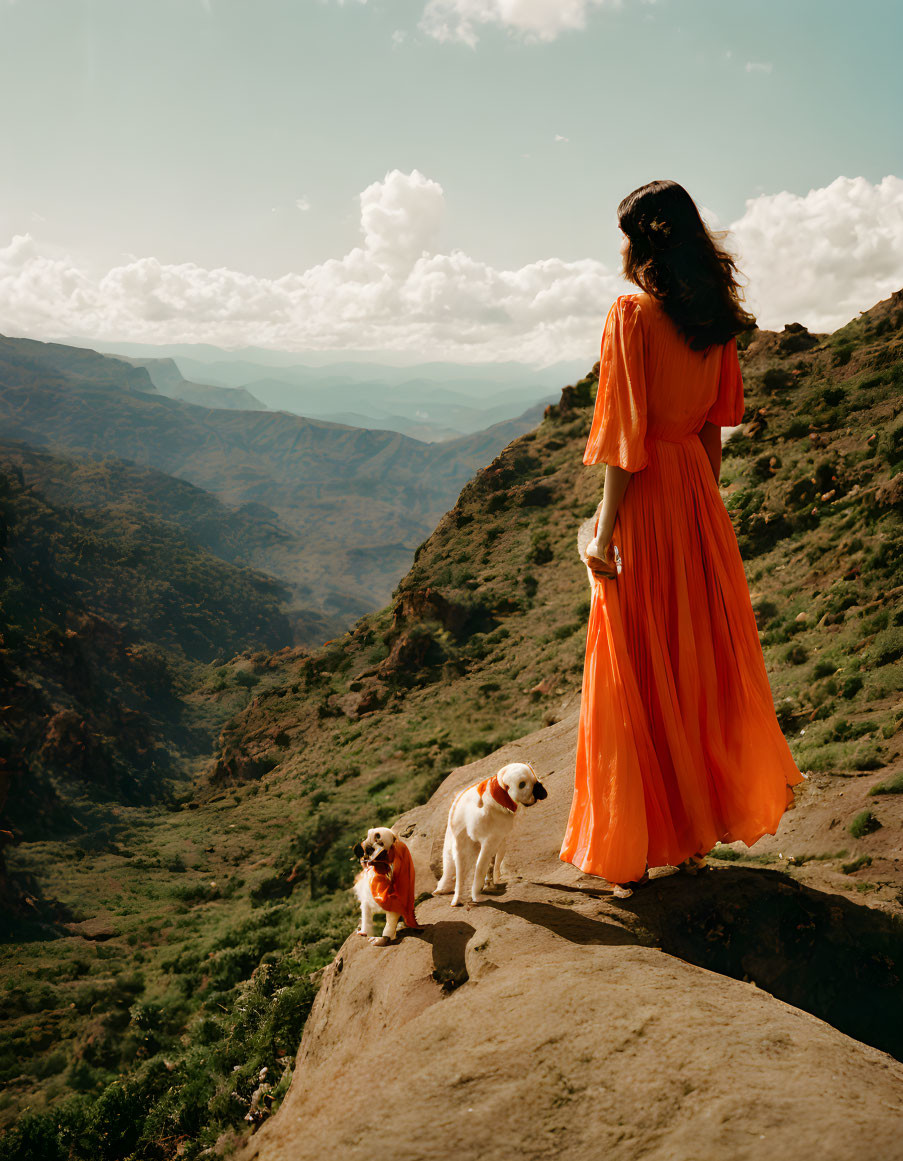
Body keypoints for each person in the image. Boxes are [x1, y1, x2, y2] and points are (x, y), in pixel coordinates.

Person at [559, 179, 804, 899]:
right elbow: (710, 426)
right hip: (696, 495)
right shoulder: (712, 316)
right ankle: (694, 838)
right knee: (694, 660)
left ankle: (635, 845)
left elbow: (623, 441)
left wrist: (604, 532)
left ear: (640, 240)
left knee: (632, 659)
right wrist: (704, 507)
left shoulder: (631, 315)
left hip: (648, 494)